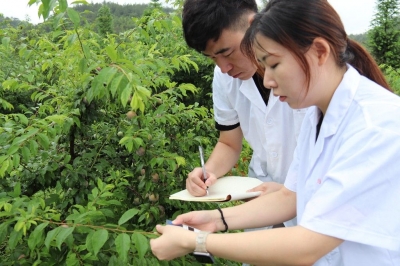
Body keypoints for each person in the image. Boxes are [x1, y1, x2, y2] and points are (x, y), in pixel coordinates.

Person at [150, 0, 400, 265]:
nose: (267, 79)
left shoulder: (378, 126)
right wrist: (214, 220)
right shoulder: (317, 115)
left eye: (273, 64)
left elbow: (308, 245)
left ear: (319, 51)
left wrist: (196, 241)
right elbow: (290, 196)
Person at [182, 0, 306, 219]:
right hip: (261, 199)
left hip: (312, 201)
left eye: (227, 52)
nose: (223, 67)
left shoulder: (304, 71)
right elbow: (229, 142)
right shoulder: (224, 78)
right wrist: (208, 172)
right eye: (212, 58)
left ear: (253, 25)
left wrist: (294, 193)